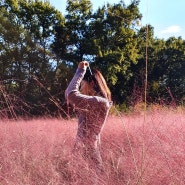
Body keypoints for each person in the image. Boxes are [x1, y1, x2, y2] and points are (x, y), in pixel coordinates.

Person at [65, 61, 112, 171]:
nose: (80, 87)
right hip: (85, 157)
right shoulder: (94, 103)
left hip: (89, 161)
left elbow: (70, 93)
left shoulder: (98, 102)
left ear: (91, 82)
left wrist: (80, 71)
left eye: (82, 83)